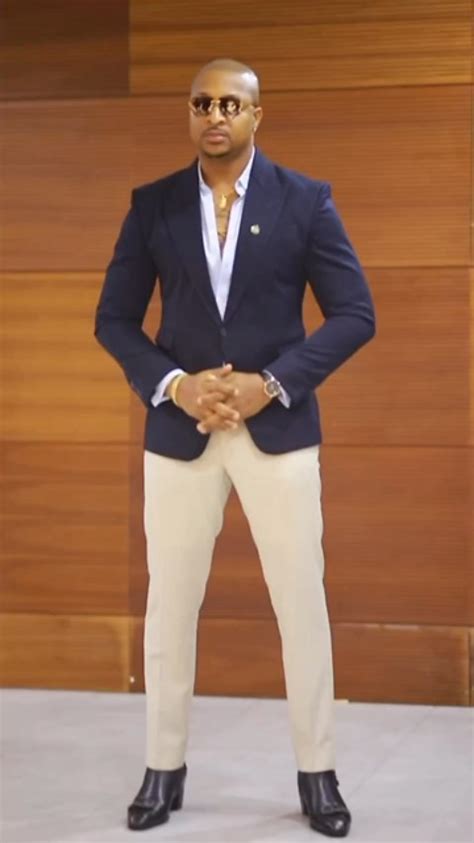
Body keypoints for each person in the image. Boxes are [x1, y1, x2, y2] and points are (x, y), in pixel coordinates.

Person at [94, 57, 375, 838]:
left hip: (277, 432)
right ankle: (163, 766)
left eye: (230, 103)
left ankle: (318, 771)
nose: (214, 115)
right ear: (189, 114)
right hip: (180, 433)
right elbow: (114, 319)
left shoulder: (305, 200)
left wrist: (272, 383)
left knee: (301, 602)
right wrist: (176, 384)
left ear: (257, 114)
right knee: (170, 605)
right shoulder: (152, 205)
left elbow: (355, 312)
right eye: (201, 103)